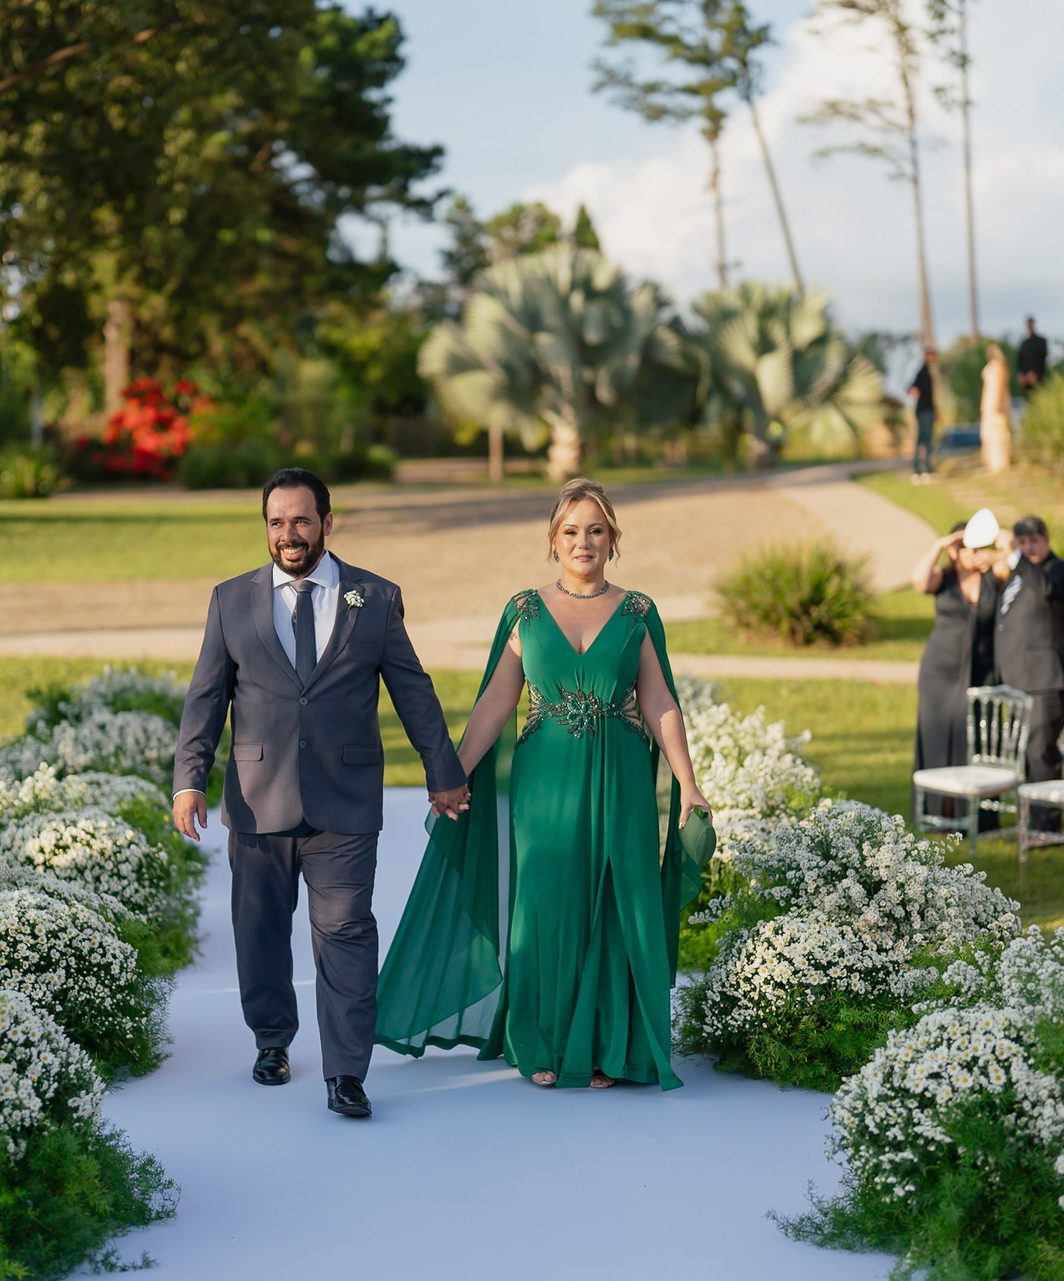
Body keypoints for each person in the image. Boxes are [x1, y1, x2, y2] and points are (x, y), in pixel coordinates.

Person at [374, 478, 712, 1095]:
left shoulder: (638, 612)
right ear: (553, 540)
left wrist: (687, 783)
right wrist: (452, 771)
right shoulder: (525, 610)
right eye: (571, 531)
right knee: (546, 904)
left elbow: (660, 701)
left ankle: (609, 1047)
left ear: (613, 540)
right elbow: (496, 701)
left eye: (596, 531)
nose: (584, 542)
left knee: (618, 901)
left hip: (621, 780)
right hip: (545, 784)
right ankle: (545, 1041)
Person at [171, 468, 467, 1120]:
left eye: (301, 520)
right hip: (257, 798)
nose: (289, 534)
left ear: (328, 523)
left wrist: (442, 771)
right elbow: (205, 698)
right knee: (259, 931)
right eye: (277, 522)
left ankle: (347, 1073)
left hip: (346, 800)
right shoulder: (231, 600)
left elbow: (413, 690)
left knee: (346, 933)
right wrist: (189, 779)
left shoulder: (375, 598)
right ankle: (272, 1039)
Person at [911, 521, 1001, 823]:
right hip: (940, 671)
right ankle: (938, 812)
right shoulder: (944, 578)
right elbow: (918, 581)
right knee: (936, 734)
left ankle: (976, 814)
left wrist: (996, 552)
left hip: (981, 668)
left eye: (977, 547)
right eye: (965, 548)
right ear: (955, 551)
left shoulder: (994, 575)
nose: (973, 553)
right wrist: (938, 545)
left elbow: (1015, 558)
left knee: (975, 737)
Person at [995, 515, 1064, 823]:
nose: (1028, 548)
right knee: (1026, 752)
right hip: (1019, 678)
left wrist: (1015, 556)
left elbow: (1043, 589)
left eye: (1033, 541)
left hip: (1045, 679)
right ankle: (1029, 820)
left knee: (1041, 752)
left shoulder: (1058, 570)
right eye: (1022, 542)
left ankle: (1046, 825)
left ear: (1047, 540)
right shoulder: (1019, 574)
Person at [980, 343, 1013, 473]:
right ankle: (992, 463)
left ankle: (999, 463)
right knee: (989, 433)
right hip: (989, 402)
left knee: (998, 433)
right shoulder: (993, 366)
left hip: (995, 403)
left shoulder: (999, 367)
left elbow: (999, 386)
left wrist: (996, 404)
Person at [907, 346, 938, 483]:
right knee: (923, 440)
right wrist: (914, 392)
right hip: (923, 411)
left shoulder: (928, 372)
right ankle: (920, 469)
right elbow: (911, 388)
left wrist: (934, 410)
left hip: (928, 410)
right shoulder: (922, 372)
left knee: (926, 440)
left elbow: (930, 395)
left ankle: (925, 468)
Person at [1016, 316, 1049, 393]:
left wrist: (1035, 374)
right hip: (1026, 380)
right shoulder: (1024, 343)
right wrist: (1021, 374)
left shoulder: (1041, 342)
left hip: (1038, 378)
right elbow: (1020, 360)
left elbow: (1042, 360)